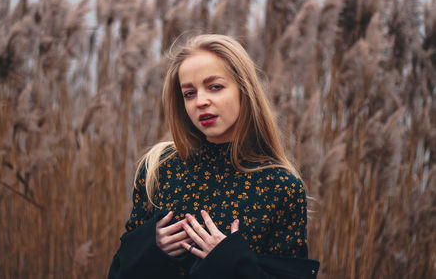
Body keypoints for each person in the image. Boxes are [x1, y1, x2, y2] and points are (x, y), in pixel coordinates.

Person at [108, 34, 320, 278]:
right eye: (189, 93)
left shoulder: (281, 185)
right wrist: (150, 247)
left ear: (244, 90)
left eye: (215, 87)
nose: (200, 101)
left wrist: (230, 260)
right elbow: (119, 271)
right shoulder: (159, 167)